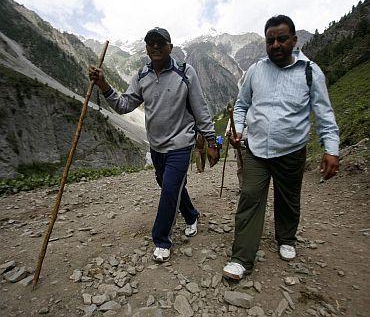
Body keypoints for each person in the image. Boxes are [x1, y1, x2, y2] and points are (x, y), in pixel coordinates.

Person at [222, 15, 340, 281]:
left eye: (282, 38)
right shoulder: (255, 70)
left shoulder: (310, 72)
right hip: (255, 150)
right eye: (270, 40)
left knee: (288, 198)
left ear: (294, 40)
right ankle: (241, 258)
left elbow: (323, 113)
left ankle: (286, 238)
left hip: (291, 150)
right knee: (250, 196)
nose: (275, 44)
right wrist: (238, 130)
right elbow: (242, 105)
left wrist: (331, 148)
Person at [89, 27, 219, 262]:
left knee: (169, 189)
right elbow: (124, 105)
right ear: (147, 48)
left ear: (170, 46)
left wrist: (211, 140)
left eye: (161, 43)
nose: (156, 47)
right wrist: (103, 85)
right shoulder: (141, 76)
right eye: (151, 43)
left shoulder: (184, 72)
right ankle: (191, 215)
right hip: (157, 145)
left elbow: (200, 109)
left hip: (181, 143)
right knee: (168, 184)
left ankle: (161, 240)